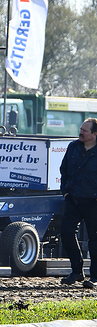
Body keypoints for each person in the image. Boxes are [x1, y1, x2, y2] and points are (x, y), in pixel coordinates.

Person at [59, 118, 97, 287]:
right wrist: (65, 192)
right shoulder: (73, 147)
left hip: (93, 201)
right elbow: (64, 169)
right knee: (66, 234)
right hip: (73, 199)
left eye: (85, 130)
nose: (81, 132)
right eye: (81, 128)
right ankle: (77, 271)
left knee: (94, 240)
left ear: (95, 135)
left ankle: (95, 277)